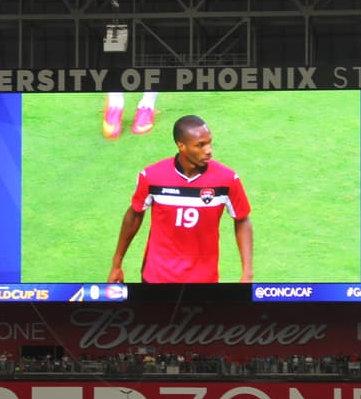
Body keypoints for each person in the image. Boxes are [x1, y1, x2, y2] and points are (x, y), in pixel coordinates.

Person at [108, 115, 253, 283]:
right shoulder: (152, 176)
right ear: (181, 146)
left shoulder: (227, 179)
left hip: (203, 279)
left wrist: (247, 274)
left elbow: (242, 220)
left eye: (209, 142)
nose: (208, 150)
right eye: (200, 145)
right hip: (157, 276)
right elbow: (134, 215)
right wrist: (116, 264)